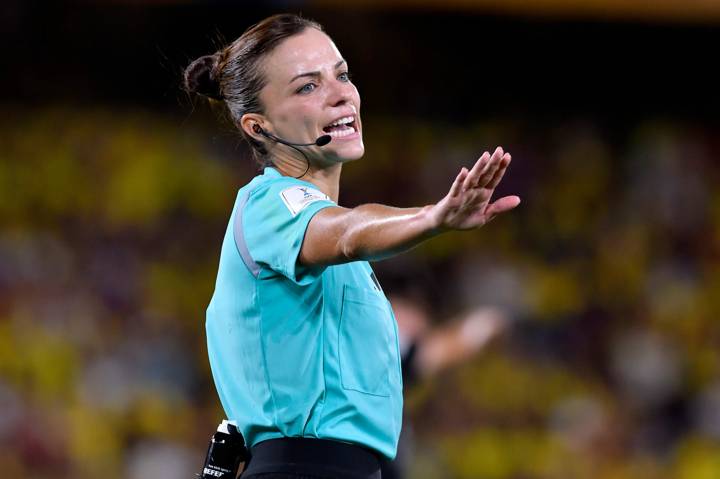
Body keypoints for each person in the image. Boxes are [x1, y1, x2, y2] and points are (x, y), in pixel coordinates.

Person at [184, 13, 520, 479]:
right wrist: (433, 216)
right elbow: (346, 234)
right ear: (258, 127)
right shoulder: (269, 204)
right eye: (307, 86)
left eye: (341, 74)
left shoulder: (336, 253)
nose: (341, 92)